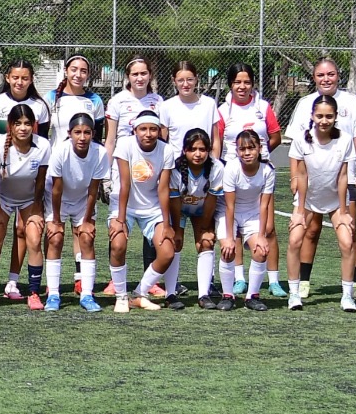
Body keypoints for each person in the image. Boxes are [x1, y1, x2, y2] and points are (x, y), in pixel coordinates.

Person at [283, 57, 356, 301]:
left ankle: (354, 284)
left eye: (330, 74)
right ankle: (303, 282)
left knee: (349, 231)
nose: (326, 79)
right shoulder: (304, 104)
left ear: (337, 75)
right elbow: (296, 148)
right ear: (314, 78)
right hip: (311, 183)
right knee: (309, 231)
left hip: (342, 178)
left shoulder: (350, 102)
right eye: (321, 75)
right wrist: (293, 178)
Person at [215, 62, 284, 299]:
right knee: (232, 230)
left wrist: (260, 155)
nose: (242, 86)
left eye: (246, 82)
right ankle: (240, 278)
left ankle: (273, 280)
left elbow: (276, 136)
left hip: (258, 174)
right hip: (233, 175)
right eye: (237, 82)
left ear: (252, 84)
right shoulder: (223, 110)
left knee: (268, 228)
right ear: (230, 84)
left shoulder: (263, 107)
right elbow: (218, 141)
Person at [0, 104, 49, 310]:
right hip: (1, 198)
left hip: (30, 199)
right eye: (18, 123)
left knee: (34, 240)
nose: (23, 128)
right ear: (10, 126)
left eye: (28, 124)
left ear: (34, 125)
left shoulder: (44, 146)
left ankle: (34, 293)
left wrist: (38, 209)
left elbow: (41, 180)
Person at [108, 110, 174, 312]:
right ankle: (121, 296)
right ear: (135, 130)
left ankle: (139, 294)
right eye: (143, 129)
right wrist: (120, 220)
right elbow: (125, 184)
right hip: (124, 205)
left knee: (167, 252)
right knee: (118, 244)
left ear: (159, 131)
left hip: (152, 209)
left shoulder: (166, 150)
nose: (148, 133)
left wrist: (167, 223)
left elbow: (163, 189)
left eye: (153, 129)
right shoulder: (125, 145)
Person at [43, 113, 106, 312]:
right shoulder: (60, 151)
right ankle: (53, 294)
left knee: (86, 238)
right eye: (77, 132)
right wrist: (56, 220)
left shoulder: (100, 153)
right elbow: (56, 189)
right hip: (58, 200)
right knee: (55, 238)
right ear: (69, 133)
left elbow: (93, 190)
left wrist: (86, 220)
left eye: (87, 132)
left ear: (93, 134)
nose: (82, 137)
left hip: (82, 200)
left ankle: (87, 294)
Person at [219, 130, 277, 312]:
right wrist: (229, 237)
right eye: (242, 149)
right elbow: (229, 206)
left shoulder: (268, 171)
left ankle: (252, 296)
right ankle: (228, 295)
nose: (247, 153)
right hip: (230, 212)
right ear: (236, 151)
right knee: (228, 250)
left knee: (261, 251)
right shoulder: (231, 169)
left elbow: (264, 205)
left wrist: (261, 236)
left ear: (260, 149)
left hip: (253, 213)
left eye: (251, 148)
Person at [167, 128, 225, 309]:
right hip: (180, 210)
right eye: (193, 149)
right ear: (185, 150)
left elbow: (211, 200)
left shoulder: (217, 167)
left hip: (202, 210)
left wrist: (206, 227)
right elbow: (175, 202)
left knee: (206, 242)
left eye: (202, 149)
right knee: (175, 243)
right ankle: (170, 294)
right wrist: (176, 228)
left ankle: (204, 295)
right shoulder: (175, 169)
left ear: (209, 151)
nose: (198, 154)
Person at [156, 60, 220, 153]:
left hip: (205, 164)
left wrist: (214, 163)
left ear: (196, 79)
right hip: (177, 164)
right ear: (173, 81)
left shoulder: (209, 104)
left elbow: (215, 140)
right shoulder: (166, 107)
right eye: (180, 80)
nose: (185, 84)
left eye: (190, 79)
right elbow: (162, 142)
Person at [105, 55, 163, 154]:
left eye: (143, 73)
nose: (140, 78)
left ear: (150, 75)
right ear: (128, 76)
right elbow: (110, 142)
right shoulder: (117, 101)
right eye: (135, 74)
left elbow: (161, 137)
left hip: (150, 161)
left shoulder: (158, 101)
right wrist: (107, 168)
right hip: (123, 160)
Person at [47, 55, 104, 146]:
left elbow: (97, 138)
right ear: (66, 71)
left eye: (83, 71)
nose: (78, 75)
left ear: (88, 75)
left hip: (85, 159)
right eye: (74, 70)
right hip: (56, 157)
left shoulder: (95, 100)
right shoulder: (51, 97)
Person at [0, 59, 50, 137]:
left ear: (31, 80)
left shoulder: (40, 105)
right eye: (15, 78)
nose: (19, 82)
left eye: (25, 78)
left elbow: (43, 138)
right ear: (7, 78)